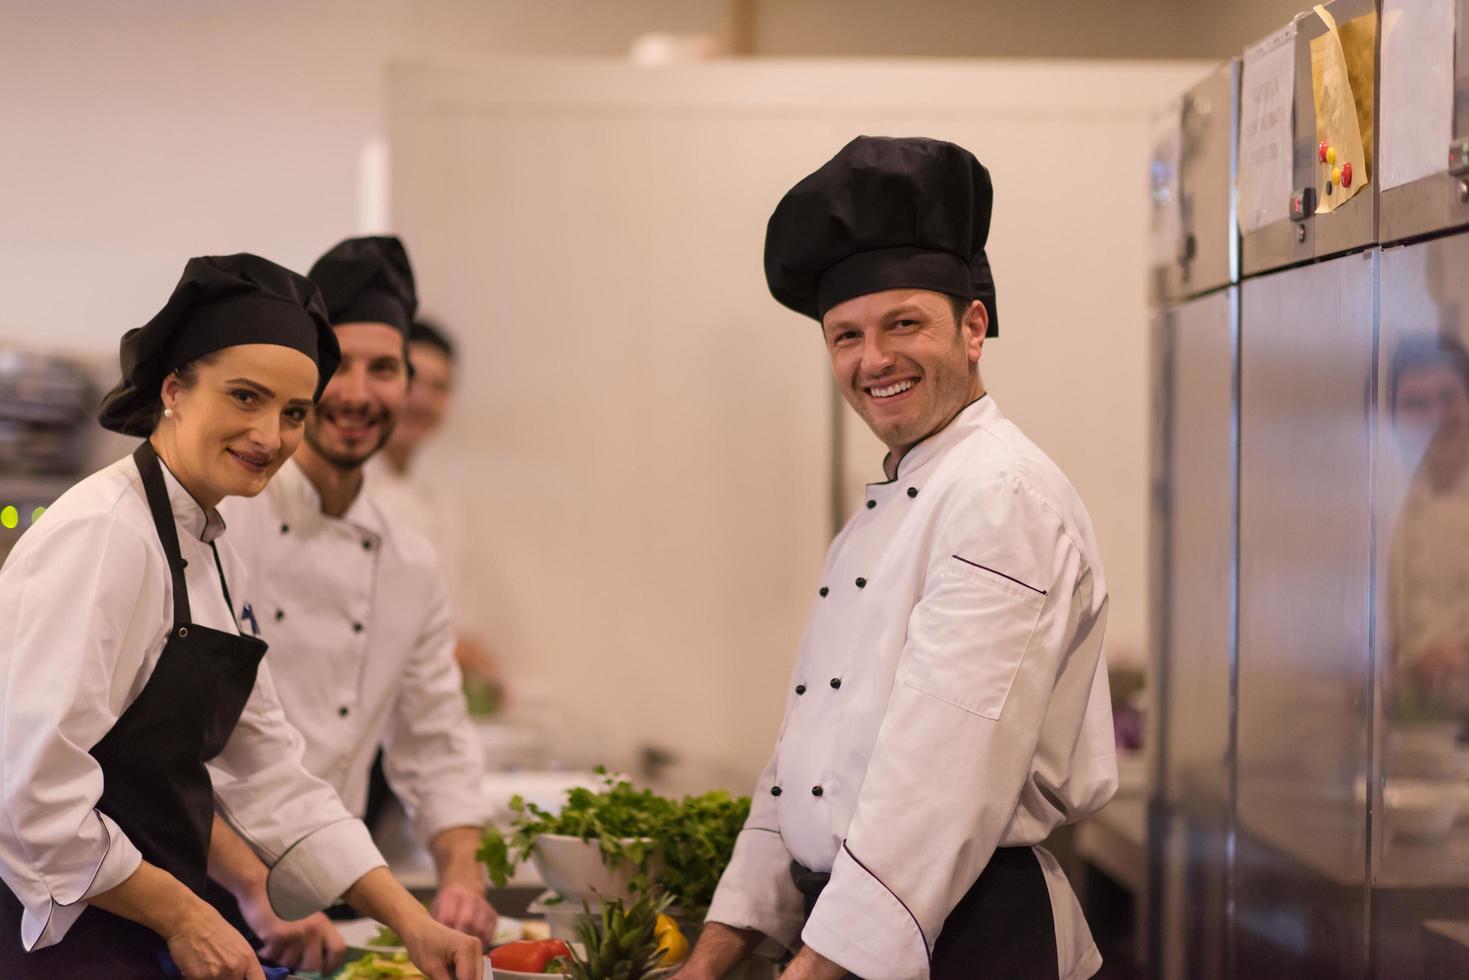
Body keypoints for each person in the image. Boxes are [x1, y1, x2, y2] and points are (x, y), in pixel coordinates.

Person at [672, 137, 1118, 980]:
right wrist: (713, 955)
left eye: (902, 323)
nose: (872, 360)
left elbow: (935, 785)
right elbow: (804, 765)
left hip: (972, 943)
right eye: (845, 335)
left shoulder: (1001, 498)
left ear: (974, 326)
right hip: (855, 936)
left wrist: (809, 971)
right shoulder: (895, 499)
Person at [0, 254, 482, 980]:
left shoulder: (211, 544)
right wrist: (185, 914)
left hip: (129, 931)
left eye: (292, 413)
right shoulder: (106, 534)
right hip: (54, 938)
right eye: (245, 398)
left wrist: (412, 922)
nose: (270, 435)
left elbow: (266, 771)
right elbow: (30, 790)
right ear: (173, 390)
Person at [208, 237, 497, 967]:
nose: (360, 394)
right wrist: (249, 883)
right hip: (200, 891)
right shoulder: (222, 523)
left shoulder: (409, 562)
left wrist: (461, 872)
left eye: (386, 369)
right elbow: (154, 751)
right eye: (340, 365)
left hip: (338, 893)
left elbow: (435, 743)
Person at [369, 318, 502, 691]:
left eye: (439, 387)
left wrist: (470, 652)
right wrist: (445, 649)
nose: (423, 400)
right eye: (413, 381)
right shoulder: (347, 492)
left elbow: (455, 610)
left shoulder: (442, 500)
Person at [1385, 332, 1469, 726]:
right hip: (1412, 735)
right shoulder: (1380, 515)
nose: (1436, 415)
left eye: (1448, 397)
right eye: (1416, 404)